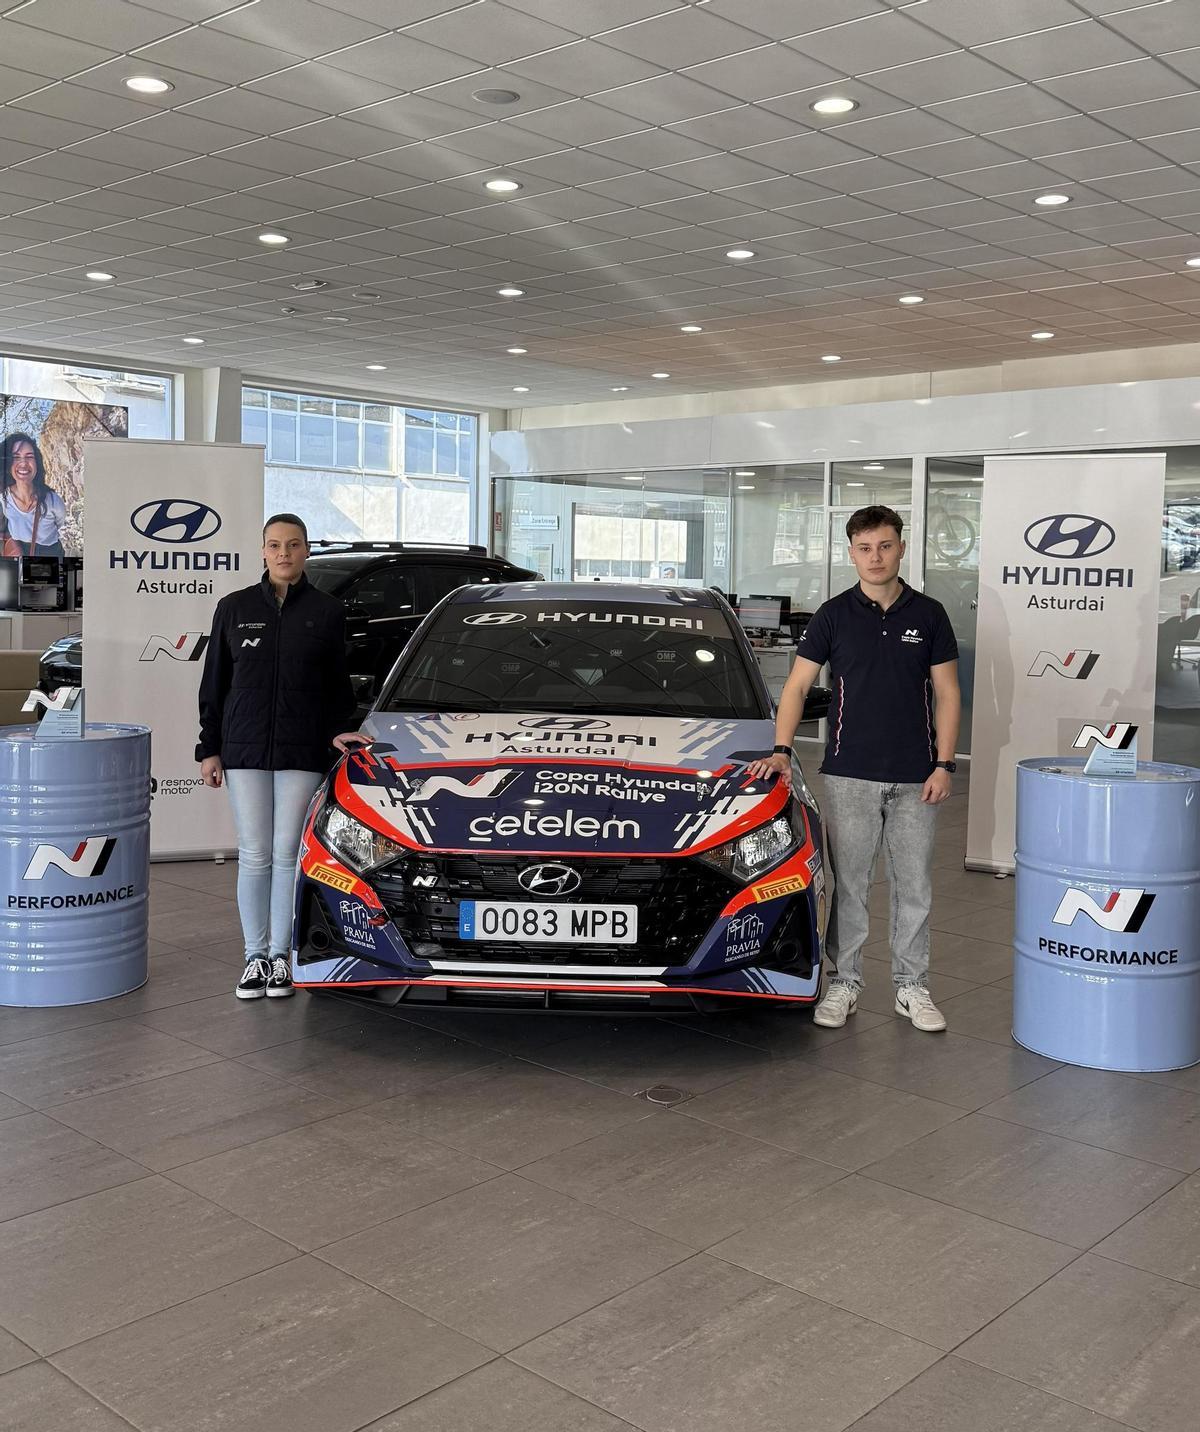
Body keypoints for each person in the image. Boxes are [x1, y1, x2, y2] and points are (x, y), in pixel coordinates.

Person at [747, 504, 961, 1033]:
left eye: (885, 546)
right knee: (851, 887)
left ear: (902, 549)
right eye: (864, 548)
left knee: (914, 887)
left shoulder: (929, 614)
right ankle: (846, 982)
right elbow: (796, 687)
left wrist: (945, 764)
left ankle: (912, 987)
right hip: (849, 774)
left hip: (917, 777)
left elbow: (949, 694)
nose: (875, 557)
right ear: (851, 553)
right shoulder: (833, 615)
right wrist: (780, 747)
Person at [196, 513, 363, 1000]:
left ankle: (282, 959)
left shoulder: (327, 612)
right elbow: (214, 684)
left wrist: (337, 732)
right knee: (254, 855)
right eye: (274, 545)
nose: (284, 553)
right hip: (243, 747)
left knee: (288, 854)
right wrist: (209, 747)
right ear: (262, 551)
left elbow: (336, 686)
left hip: (302, 748)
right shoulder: (233, 607)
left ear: (307, 551)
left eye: (293, 544)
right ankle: (254, 956)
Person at [3, 432, 67, 557]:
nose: (23, 463)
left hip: (50, 554)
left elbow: (60, 522)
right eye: (16, 457)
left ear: (37, 463)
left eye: (29, 456)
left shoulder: (52, 500)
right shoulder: (4, 497)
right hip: (18, 552)